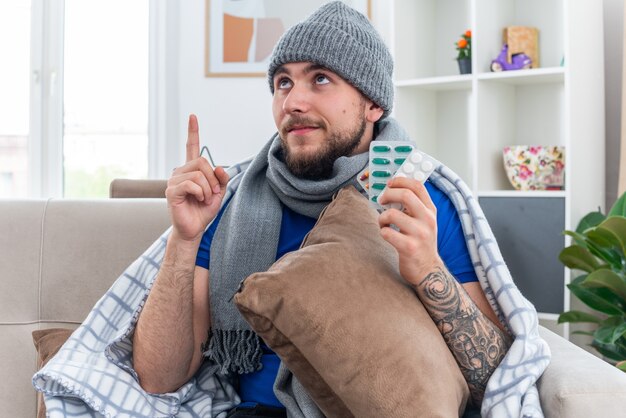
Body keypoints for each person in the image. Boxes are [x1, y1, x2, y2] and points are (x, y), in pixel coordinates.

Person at [132, 2, 512, 416]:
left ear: (373, 105)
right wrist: (184, 240)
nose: (293, 101)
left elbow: (496, 377)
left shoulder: (421, 199)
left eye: (320, 79)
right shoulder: (231, 203)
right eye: (282, 82)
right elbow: (159, 378)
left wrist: (427, 268)